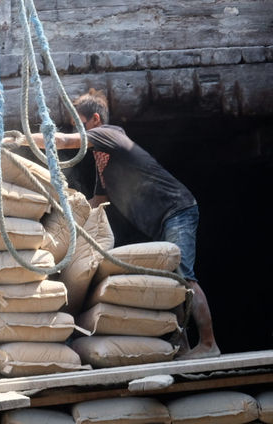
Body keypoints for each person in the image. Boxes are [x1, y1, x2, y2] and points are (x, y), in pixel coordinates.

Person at [30, 88, 220, 359]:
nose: (81, 133)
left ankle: (209, 344)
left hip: (177, 209)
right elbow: (98, 201)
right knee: (172, 282)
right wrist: (69, 228)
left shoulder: (109, 134)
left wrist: (18, 138)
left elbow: (61, 141)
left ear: (95, 120)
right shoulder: (103, 160)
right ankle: (183, 348)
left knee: (185, 278)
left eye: (81, 126)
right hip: (165, 219)